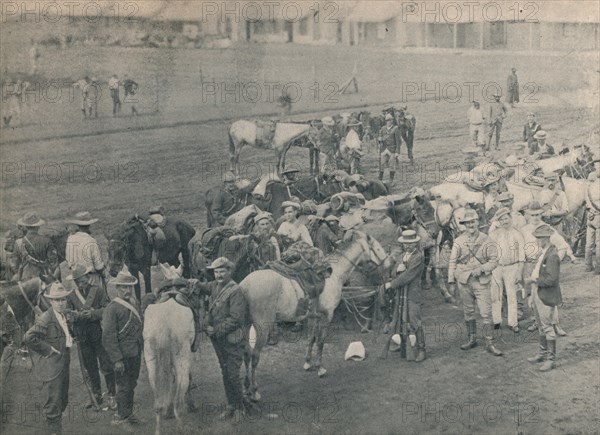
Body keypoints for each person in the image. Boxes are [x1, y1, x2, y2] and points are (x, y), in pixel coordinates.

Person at [196, 257, 248, 420]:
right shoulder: (213, 286)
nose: (218, 275)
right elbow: (202, 287)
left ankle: (240, 409)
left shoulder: (235, 291)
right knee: (225, 372)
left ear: (229, 271)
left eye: (221, 271)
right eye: (216, 272)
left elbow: (236, 319)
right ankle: (231, 405)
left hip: (233, 340)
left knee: (232, 374)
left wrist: (215, 330)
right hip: (218, 340)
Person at [448, 209, 503, 356]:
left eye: (473, 221)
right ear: (464, 225)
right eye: (467, 223)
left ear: (478, 222)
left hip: (481, 281)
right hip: (464, 281)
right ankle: (472, 339)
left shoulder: (487, 240)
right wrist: (451, 281)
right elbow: (452, 262)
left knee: (486, 313)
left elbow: (494, 260)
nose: (471, 225)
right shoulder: (458, 241)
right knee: (468, 312)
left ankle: (489, 343)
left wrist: (482, 268)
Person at [24, 283, 75, 435]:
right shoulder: (46, 318)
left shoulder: (63, 315)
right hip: (52, 366)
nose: (60, 303)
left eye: (63, 299)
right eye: (57, 300)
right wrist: (48, 350)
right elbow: (28, 337)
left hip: (63, 362)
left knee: (63, 400)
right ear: (51, 302)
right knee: (53, 403)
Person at [67, 264, 115, 410]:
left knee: (106, 365)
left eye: (81, 280)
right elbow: (68, 315)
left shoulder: (98, 291)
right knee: (90, 367)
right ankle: (96, 395)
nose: (79, 283)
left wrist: (93, 314)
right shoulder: (71, 296)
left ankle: (112, 395)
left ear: (87, 277)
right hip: (82, 337)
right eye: (76, 281)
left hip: (98, 333)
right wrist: (73, 317)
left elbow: (107, 309)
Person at [521, 201, 572, 335]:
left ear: (542, 214)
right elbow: (520, 249)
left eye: (538, 214)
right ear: (528, 215)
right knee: (532, 294)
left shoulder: (548, 229)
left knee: (548, 294)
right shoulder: (524, 230)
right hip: (530, 264)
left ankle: (555, 324)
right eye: (533, 215)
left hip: (544, 265)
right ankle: (537, 321)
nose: (536, 218)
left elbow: (562, 246)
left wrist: (554, 261)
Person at [102, 270, 143, 426]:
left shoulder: (134, 303)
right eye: (123, 287)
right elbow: (108, 337)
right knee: (123, 386)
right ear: (117, 288)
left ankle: (128, 413)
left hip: (135, 352)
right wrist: (117, 360)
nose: (127, 291)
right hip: (122, 356)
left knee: (132, 384)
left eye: (129, 287)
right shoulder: (111, 309)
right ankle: (120, 416)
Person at [383, 230, 426, 362]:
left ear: (416, 243)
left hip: (412, 294)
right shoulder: (401, 256)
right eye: (406, 243)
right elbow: (395, 272)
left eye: (411, 243)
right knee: (401, 319)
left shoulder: (419, 257)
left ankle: (421, 349)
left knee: (414, 321)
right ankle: (403, 345)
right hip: (401, 294)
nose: (409, 246)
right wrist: (397, 270)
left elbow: (409, 275)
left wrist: (392, 284)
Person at [524, 224, 563, 372]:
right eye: (536, 238)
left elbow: (552, 280)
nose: (537, 240)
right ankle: (542, 353)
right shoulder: (544, 253)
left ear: (547, 238)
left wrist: (533, 280)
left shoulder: (552, 256)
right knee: (541, 326)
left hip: (545, 294)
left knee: (547, 326)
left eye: (539, 238)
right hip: (538, 292)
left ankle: (550, 359)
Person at [488, 207, 525, 332]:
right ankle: (497, 321)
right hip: (497, 268)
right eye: (501, 219)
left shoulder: (517, 234)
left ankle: (513, 323)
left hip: (512, 267)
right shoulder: (493, 234)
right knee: (495, 295)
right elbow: (488, 251)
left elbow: (521, 256)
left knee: (511, 295)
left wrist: (519, 272)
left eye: (506, 218)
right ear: (498, 221)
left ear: (510, 218)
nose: (505, 221)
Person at [65, 212, 110, 289]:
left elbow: (69, 261)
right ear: (89, 226)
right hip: (90, 279)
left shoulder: (70, 239)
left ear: (78, 226)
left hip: (76, 277)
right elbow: (99, 266)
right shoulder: (91, 240)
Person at [15, 212, 58, 281]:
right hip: (44, 277)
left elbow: (16, 265)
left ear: (25, 227)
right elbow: (54, 263)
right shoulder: (46, 241)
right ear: (38, 226)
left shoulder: (18, 243)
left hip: (26, 280)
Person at [378, 113, 402, 184]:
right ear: (386, 121)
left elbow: (398, 141)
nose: (389, 122)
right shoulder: (383, 129)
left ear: (392, 121)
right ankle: (380, 180)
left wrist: (397, 152)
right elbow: (380, 139)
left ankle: (391, 181)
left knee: (392, 165)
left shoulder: (395, 128)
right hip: (384, 149)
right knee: (381, 165)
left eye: (390, 120)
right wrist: (380, 143)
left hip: (392, 149)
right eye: (387, 120)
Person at [585, 170, 600, 274]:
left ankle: (588, 266)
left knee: (589, 243)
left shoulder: (587, 188)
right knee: (598, 244)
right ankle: (598, 268)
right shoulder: (597, 188)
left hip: (590, 216)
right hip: (598, 216)